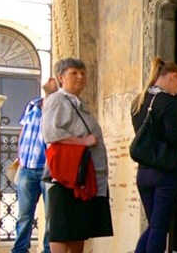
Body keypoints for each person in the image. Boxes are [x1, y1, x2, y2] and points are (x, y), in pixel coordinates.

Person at [39, 58, 111, 253]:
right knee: (62, 230)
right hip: (66, 176)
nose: (80, 77)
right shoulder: (57, 99)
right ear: (61, 77)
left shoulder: (75, 102)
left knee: (78, 230)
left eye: (83, 73)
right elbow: (50, 132)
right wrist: (83, 141)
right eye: (74, 73)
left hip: (81, 177)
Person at [133, 57, 177, 253]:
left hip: (144, 173)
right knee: (159, 229)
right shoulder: (168, 101)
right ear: (173, 76)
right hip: (166, 173)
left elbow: (150, 138)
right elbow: (174, 136)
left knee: (154, 227)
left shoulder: (138, 100)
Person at [9, 78, 51, 253]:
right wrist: (20, 156)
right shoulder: (32, 106)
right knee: (24, 214)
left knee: (50, 215)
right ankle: (19, 250)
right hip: (27, 168)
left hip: (47, 169)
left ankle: (48, 250)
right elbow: (24, 130)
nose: (50, 80)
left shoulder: (56, 108)